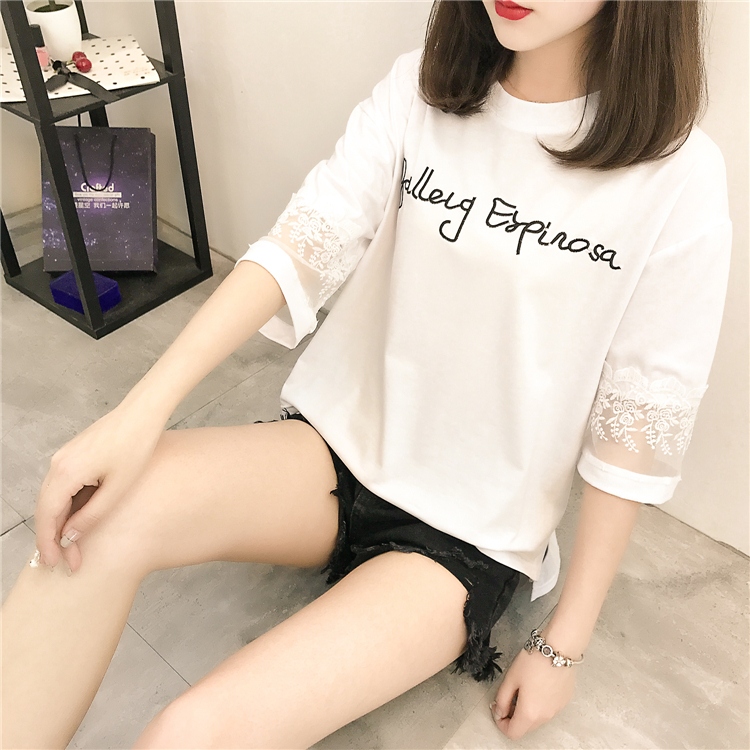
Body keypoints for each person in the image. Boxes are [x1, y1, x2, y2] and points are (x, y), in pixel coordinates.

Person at [2, 0, 732, 747]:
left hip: (466, 537)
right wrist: (137, 415)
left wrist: (562, 646)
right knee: (92, 521)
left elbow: (637, 425)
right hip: (335, 450)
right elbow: (300, 244)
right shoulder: (420, 90)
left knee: (191, 735)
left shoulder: (680, 178)